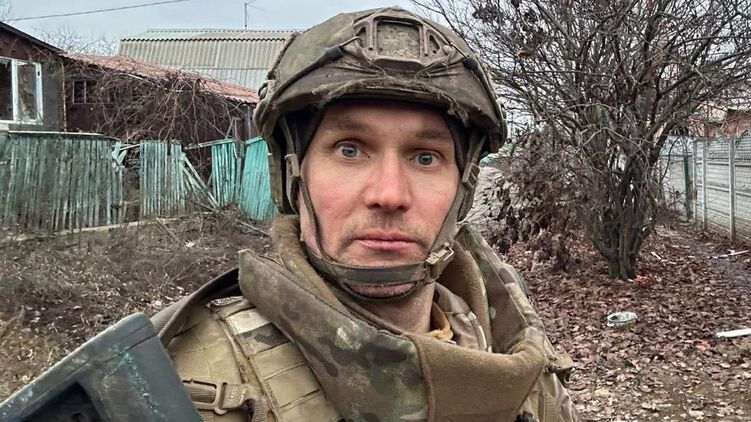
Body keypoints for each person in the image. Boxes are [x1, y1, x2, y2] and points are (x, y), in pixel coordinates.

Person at [152, 6, 579, 422]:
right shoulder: (172, 384)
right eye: (350, 150)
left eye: (425, 157)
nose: (389, 195)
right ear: (292, 175)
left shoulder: (517, 349)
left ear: (463, 186)